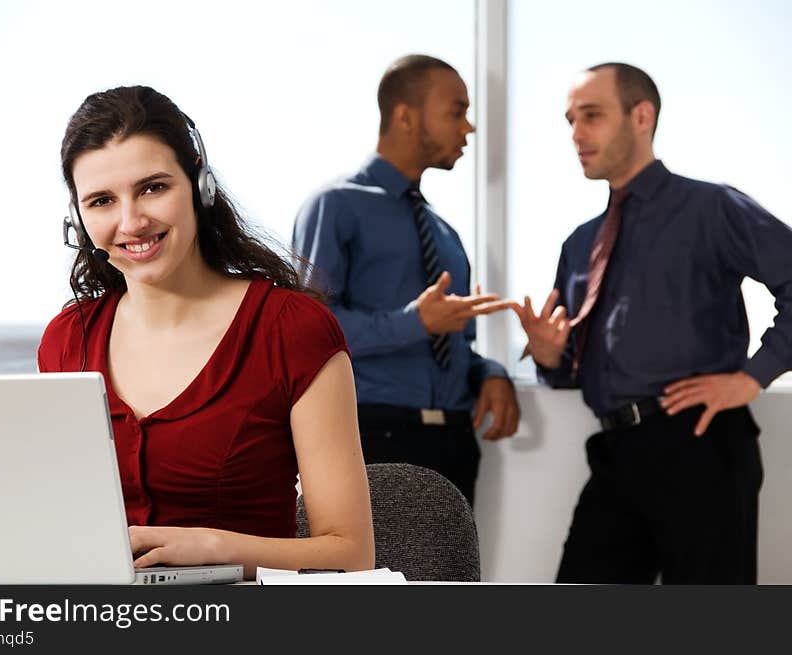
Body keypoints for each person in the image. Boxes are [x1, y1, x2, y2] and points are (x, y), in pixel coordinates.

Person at [37, 85, 374, 579]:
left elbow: (350, 554)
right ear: (78, 217)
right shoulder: (67, 340)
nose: (131, 221)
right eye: (102, 201)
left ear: (200, 186)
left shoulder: (292, 331)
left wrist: (217, 546)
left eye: (153, 187)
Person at [509, 63, 792, 583]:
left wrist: (753, 376)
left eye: (591, 115)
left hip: (702, 445)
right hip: (616, 454)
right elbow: (578, 368)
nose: (575, 133)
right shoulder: (579, 244)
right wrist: (551, 358)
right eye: (570, 119)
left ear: (642, 116)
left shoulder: (712, 208)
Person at [293, 55, 519, 506]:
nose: (468, 128)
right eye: (457, 111)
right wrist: (416, 322)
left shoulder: (444, 233)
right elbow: (309, 330)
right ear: (405, 115)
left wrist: (491, 373)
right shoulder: (335, 205)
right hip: (375, 437)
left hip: (455, 441)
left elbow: (455, 344)